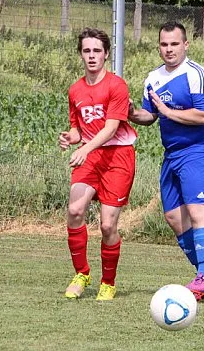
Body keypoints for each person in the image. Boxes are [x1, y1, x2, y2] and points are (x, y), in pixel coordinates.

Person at [128, 21, 204, 301]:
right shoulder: (153, 78)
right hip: (172, 153)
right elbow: (149, 116)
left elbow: (203, 116)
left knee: (197, 211)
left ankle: (203, 275)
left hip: (198, 150)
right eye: (164, 44)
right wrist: (131, 112)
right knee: (173, 217)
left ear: (185, 45)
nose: (169, 50)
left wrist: (167, 111)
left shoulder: (196, 74)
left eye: (174, 44)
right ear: (159, 47)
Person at [59, 27, 137, 301]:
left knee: (107, 227)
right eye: (86, 51)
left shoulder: (117, 86)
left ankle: (108, 282)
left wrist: (86, 148)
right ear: (81, 54)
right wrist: (71, 138)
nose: (92, 56)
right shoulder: (75, 89)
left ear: (106, 54)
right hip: (89, 156)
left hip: (117, 157)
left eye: (97, 51)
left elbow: (112, 127)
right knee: (75, 210)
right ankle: (81, 273)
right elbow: (79, 129)